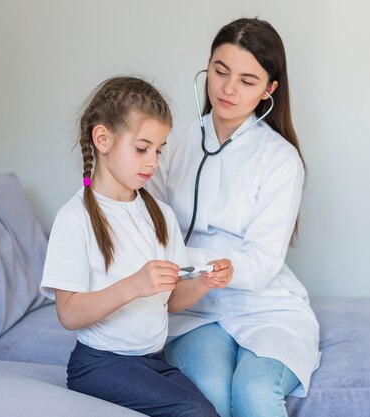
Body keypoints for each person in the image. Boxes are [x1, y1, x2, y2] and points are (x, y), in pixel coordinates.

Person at [147, 18, 320, 417]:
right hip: (190, 309)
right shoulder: (170, 144)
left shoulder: (280, 159)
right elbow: (149, 230)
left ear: (268, 90)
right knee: (209, 393)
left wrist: (220, 266)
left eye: (247, 80)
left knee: (255, 393)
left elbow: (261, 261)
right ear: (206, 67)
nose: (228, 89)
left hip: (264, 305)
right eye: (220, 71)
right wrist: (198, 271)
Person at [39, 76, 233, 417]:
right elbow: (68, 314)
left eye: (159, 150)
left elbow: (171, 301)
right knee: (195, 411)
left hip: (152, 360)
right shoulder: (75, 219)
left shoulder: (160, 215)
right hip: (99, 365)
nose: (153, 162)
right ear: (102, 139)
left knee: (209, 409)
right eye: (142, 149)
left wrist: (205, 282)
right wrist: (133, 286)